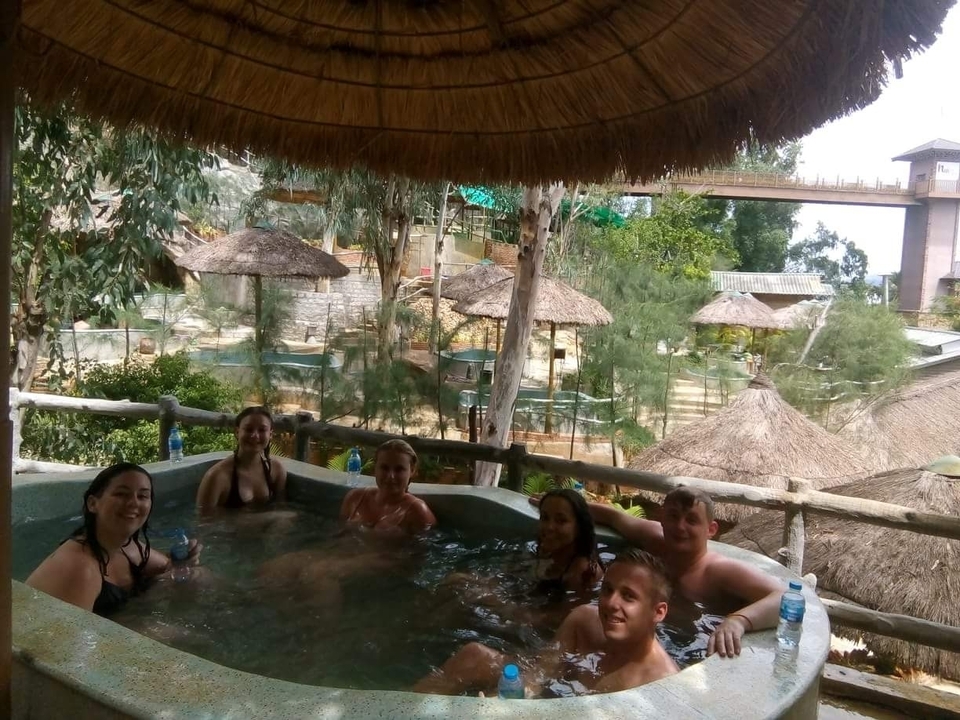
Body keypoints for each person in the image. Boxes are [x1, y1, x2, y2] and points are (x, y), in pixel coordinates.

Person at [553, 485, 782, 658]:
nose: (679, 527)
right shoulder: (654, 539)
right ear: (661, 519)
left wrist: (738, 621)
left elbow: (784, 597)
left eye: (691, 520)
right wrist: (563, 508)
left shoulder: (716, 570)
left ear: (711, 529)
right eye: (673, 516)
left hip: (687, 644)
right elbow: (613, 517)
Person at [414, 549, 678, 696]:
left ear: (658, 612)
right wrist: (512, 698)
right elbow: (542, 670)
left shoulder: (661, 684)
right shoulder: (585, 619)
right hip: (554, 698)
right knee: (473, 656)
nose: (610, 603)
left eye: (628, 596)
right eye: (608, 590)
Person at [26, 463, 200, 616]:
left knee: (200, 577)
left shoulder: (127, 546)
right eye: (121, 494)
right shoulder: (81, 568)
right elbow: (69, 643)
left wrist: (181, 564)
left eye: (143, 496)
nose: (134, 503)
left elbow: (167, 569)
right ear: (93, 504)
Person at [196, 406, 288, 513]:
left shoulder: (276, 470)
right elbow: (203, 523)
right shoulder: (217, 477)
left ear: (270, 435)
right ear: (237, 432)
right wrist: (263, 519)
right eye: (248, 429)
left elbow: (281, 508)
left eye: (262, 430)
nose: (255, 435)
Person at [338, 439, 436, 533]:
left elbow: (427, 548)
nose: (390, 476)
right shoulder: (355, 498)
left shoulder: (418, 512)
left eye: (399, 469)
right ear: (375, 468)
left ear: (412, 471)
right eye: (384, 468)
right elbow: (338, 534)